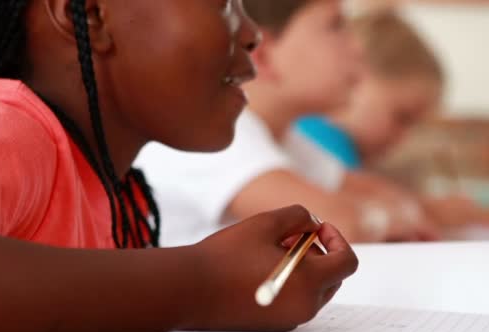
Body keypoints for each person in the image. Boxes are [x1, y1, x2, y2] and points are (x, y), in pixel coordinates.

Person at [0, 1, 358, 332]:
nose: (252, 34)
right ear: (87, 14)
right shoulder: (4, 125)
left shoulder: (119, 194)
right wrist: (204, 282)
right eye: (222, 3)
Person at [136, 0, 434, 246]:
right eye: (335, 26)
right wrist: (382, 218)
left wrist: (386, 214)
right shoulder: (218, 133)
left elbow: (379, 195)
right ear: (264, 55)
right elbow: (340, 224)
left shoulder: (286, 137)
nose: (358, 50)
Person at [297, 10, 489, 230]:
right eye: (402, 117)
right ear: (354, 79)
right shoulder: (322, 140)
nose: (404, 137)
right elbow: (347, 216)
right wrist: (430, 212)